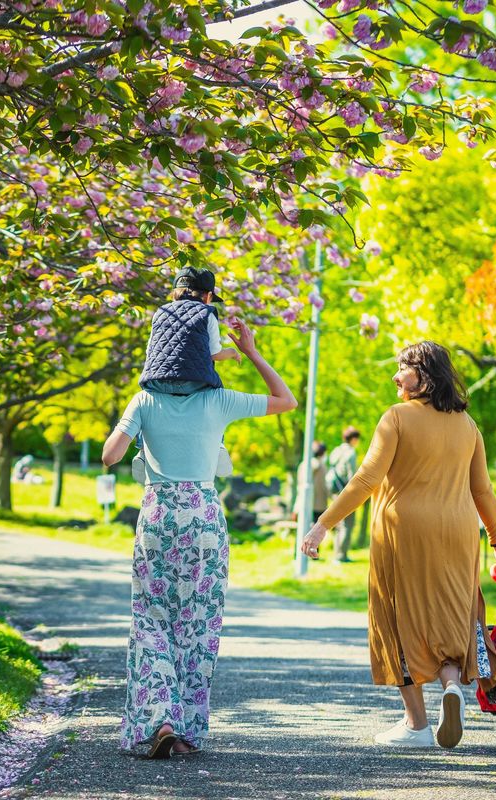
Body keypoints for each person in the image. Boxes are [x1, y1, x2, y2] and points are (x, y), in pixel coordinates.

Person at [301, 342, 496, 750]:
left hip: (403, 531)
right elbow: (483, 491)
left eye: (403, 368)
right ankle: (451, 686)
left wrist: (322, 526)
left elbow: (366, 479)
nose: (395, 376)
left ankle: (416, 723)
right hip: (458, 532)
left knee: (398, 615)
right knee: (452, 612)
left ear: (426, 376)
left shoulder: (396, 418)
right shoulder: (467, 425)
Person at [102, 319, 297, 758]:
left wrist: (136, 432)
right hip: (204, 520)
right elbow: (288, 400)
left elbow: (109, 455)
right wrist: (248, 351)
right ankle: (186, 728)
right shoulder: (219, 401)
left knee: (151, 619)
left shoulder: (144, 400)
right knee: (196, 625)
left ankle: (160, 719)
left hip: (157, 516)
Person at [138, 265, 241, 396]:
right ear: (208, 296)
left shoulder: (160, 312)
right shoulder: (207, 312)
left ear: (174, 294)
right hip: (193, 382)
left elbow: (149, 351)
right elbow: (214, 354)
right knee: (219, 396)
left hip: (155, 382)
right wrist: (232, 352)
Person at [326, 426, 361, 562]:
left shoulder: (336, 450)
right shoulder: (351, 453)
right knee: (348, 524)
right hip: (344, 491)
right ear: (353, 439)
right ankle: (341, 556)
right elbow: (353, 476)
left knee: (339, 523)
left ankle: (337, 554)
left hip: (334, 490)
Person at [294, 441, 329, 524]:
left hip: (303, 503)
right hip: (319, 505)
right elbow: (326, 486)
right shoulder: (322, 466)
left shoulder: (303, 465)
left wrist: (296, 507)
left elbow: (299, 487)